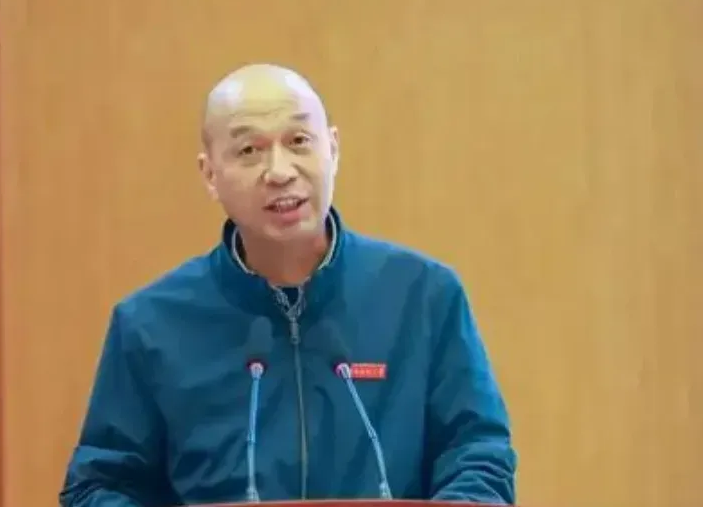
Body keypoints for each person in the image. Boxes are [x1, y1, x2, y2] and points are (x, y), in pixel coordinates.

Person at [59, 63, 517, 507]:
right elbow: (100, 485)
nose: (279, 171)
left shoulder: (423, 296)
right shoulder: (150, 324)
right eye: (249, 151)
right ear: (210, 175)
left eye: (299, 141)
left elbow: (477, 455)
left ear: (333, 150)